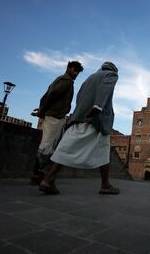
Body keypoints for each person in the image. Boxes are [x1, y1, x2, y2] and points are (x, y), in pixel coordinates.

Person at [38, 61, 120, 195]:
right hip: (96, 119)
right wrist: (97, 107)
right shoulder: (111, 75)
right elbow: (105, 89)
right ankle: (105, 185)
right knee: (103, 151)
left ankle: (49, 179)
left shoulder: (89, 78)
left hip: (79, 117)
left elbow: (80, 95)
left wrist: (79, 112)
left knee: (66, 148)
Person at [30, 61, 83, 185]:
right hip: (54, 117)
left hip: (53, 115)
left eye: (78, 72)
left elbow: (47, 95)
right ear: (69, 68)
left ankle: (38, 173)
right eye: (75, 71)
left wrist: (42, 109)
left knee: (48, 145)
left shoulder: (60, 79)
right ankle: (37, 174)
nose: (76, 74)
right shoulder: (66, 80)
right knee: (46, 146)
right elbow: (52, 95)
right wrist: (42, 111)